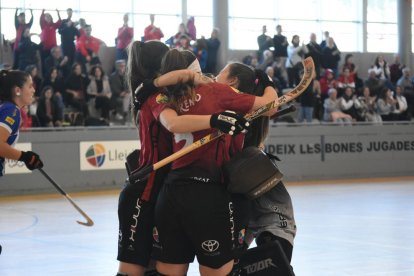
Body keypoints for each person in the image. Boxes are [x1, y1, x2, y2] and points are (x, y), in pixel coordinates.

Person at [116, 40, 249, 276]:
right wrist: (214, 118)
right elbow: (173, 122)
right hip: (144, 193)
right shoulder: (156, 96)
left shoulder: (160, 92)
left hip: (162, 191)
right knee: (132, 271)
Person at [152, 49, 277, 276]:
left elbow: (171, 121)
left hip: (171, 192)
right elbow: (271, 105)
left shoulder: (163, 96)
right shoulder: (216, 91)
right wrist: (268, 82)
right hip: (206, 194)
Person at [214, 61, 297, 267]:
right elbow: (271, 105)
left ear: (233, 81)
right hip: (243, 175)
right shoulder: (230, 97)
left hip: (235, 182)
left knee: (238, 241)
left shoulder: (230, 97)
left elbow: (269, 107)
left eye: (220, 73)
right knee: (279, 222)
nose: (214, 76)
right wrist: (268, 82)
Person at [0, 69, 43, 177]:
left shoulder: (6, 108)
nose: (33, 90)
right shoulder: (12, 111)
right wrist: (25, 157)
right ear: (18, 90)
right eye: (30, 86)